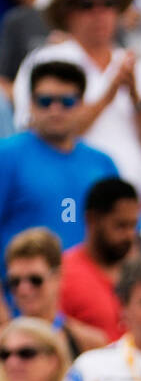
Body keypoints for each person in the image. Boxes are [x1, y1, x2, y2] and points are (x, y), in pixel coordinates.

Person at [13, 0, 141, 201]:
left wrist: (136, 100)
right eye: (87, 5)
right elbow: (39, 137)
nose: (99, 13)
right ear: (67, 13)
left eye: (108, 4)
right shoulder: (47, 61)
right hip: (64, 202)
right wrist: (107, 96)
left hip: (129, 211)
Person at [0, 59, 118, 260]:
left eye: (67, 101)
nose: (55, 110)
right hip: (25, 287)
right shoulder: (7, 155)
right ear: (30, 103)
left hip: (85, 287)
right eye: (45, 101)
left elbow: (121, 233)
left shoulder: (102, 163)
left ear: (81, 104)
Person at [58, 177, 139, 345]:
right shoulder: (63, 273)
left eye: (133, 226)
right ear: (92, 219)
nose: (129, 235)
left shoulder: (139, 274)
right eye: (120, 226)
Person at [4, 229, 106, 359]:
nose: (23, 289)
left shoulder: (89, 344)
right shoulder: (3, 345)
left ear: (57, 277)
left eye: (35, 280)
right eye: (15, 281)